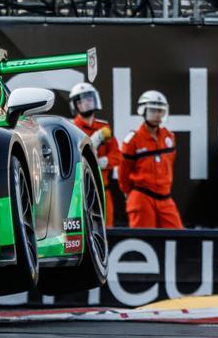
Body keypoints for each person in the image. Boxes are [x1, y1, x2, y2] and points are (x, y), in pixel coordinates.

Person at [118, 90, 184, 229]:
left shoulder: (169, 137)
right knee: (143, 239)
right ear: (143, 110)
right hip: (142, 196)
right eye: (153, 110)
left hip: (165, 197)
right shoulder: (132, 140)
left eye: (161, 111)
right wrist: (129, 193)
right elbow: (123, 172)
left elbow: (170, 164)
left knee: (179, 237)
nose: (158, 114)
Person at [69, 83, 122, 227]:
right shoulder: (71, 128)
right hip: (80, 193)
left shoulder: (104, 127)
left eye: (89, 99)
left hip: (103, 191)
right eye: (81, 101)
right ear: (75, 105)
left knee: (107, 232)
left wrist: (102, 162)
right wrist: (95, 141)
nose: (86, 103)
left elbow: (117, 155)